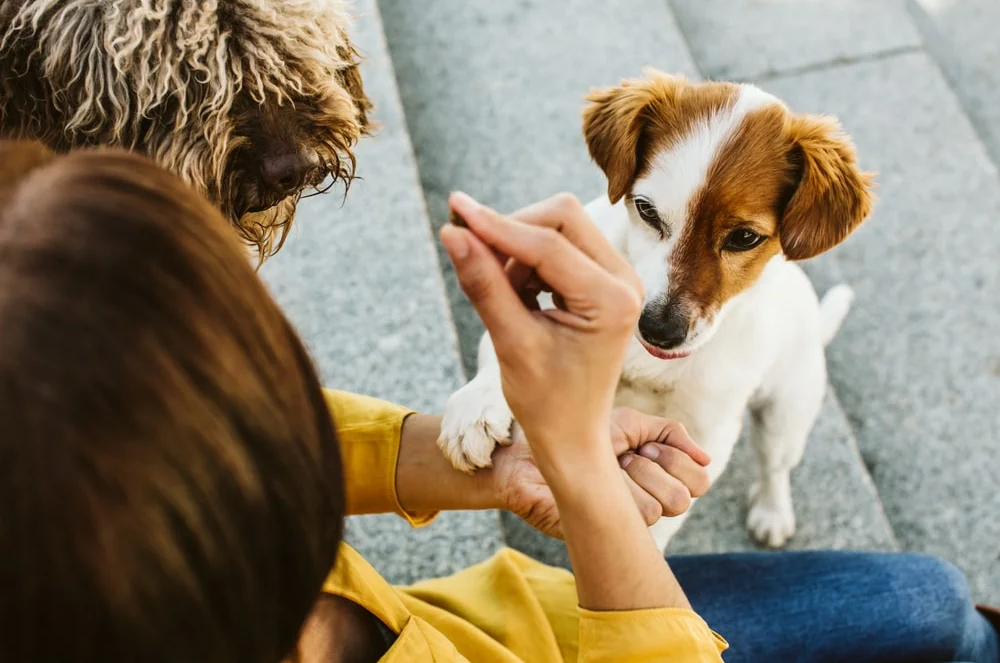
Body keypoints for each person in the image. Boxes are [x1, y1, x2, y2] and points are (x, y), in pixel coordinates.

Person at [0, 140, 996, 663]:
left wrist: (443, 451)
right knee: (937, 609)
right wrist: (580, 476)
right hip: (595, 632)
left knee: (929, 604)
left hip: (502, 613)